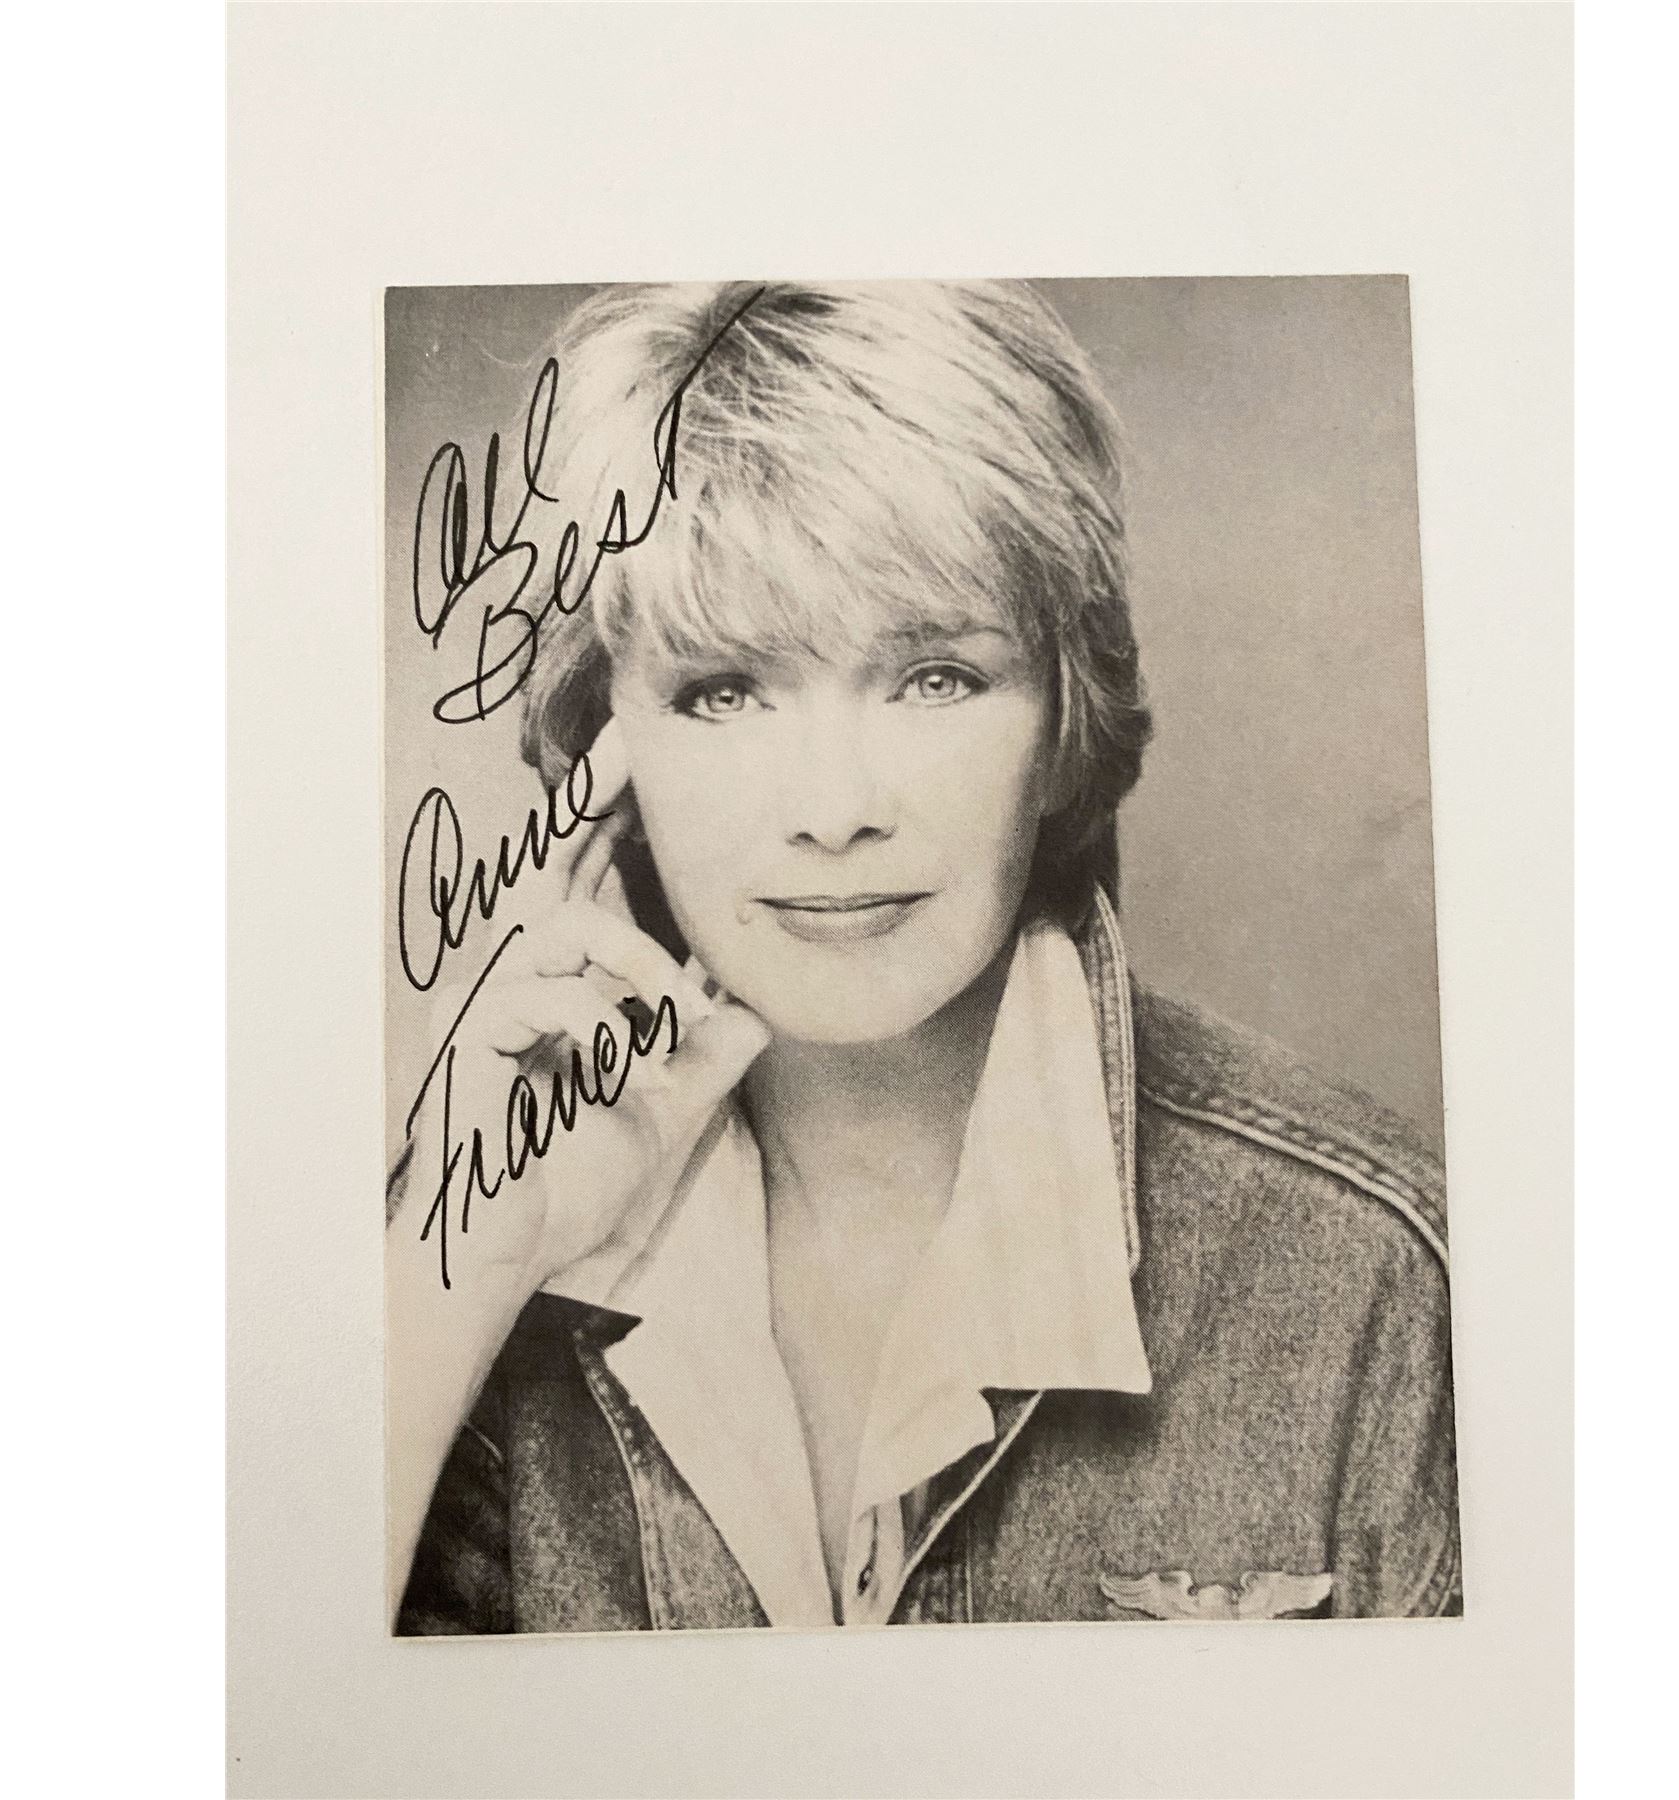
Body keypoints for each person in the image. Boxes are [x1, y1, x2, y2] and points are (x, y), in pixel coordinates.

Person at [385, 280, 1461, 1632]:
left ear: (1063, 722)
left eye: (934, 678)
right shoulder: (468, 1246)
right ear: (607, 752)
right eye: (724, 691)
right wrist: (461, 1275)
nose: (834, 808)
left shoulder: (1368, 1268)